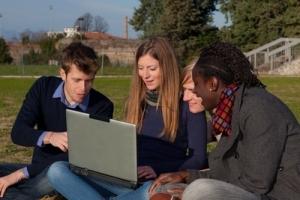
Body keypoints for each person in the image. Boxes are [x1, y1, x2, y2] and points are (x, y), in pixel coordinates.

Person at [47, 37, 208, 200]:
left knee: (156, 195)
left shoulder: (188, 104)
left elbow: (198, 159)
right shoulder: (135, 103)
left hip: (155, 183)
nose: (145, 75)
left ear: (166, 68)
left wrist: (156, 168)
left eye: (152, 68)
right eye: (141, 68)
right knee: (57, 170)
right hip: (123, 179)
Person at [149, 42, 300, 200]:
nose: (192, 94)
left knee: (200, 190)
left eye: (196, 86)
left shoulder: (258, 108)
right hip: (249, 189)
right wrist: (186, 175)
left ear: (212, 84)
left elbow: (256, 184)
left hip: (276, 195)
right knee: (167, 188)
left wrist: (193, 189)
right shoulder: (230, 110)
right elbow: (229, 171)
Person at [0, 42, 114, 199]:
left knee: (52, 175)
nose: (83, 88)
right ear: (63, 74)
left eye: (89, 80)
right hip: (36, 168)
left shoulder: (102, 106)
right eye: (77, 80)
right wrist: (49, 136)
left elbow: (80, 157)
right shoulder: (43, 87)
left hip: (69, 172)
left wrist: (21, 174)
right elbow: (18, 133)